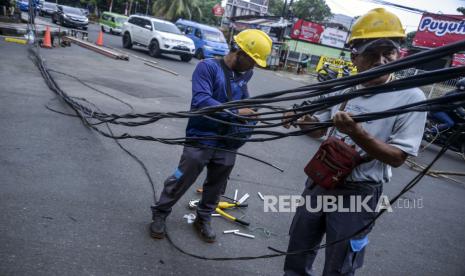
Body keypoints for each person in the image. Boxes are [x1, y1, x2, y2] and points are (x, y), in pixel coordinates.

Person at [282, 8, 426, 275]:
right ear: (355, 56)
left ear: (398, 54)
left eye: (389, 53)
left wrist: (358, 133)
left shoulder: (411, 97)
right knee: (298, 251)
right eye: (372, 54)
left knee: (339, 266)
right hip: (321, 183)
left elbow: (398, 156)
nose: (381, 61)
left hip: (359, 194)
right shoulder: (343, 87)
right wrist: (300, 118)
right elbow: (317, 130)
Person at [149, 29, 272, 243]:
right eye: (251, 60)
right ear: (238, 51)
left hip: (226, 138)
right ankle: (161, 212)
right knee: (183, 175)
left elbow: (242, 95)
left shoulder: (246, 73)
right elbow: (201, 101)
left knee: (218, 181)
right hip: (202, 133)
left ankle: (203, 218)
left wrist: (251, 110)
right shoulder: (207, 68)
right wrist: (236, 112)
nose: (253, 66)